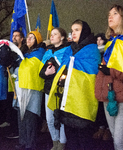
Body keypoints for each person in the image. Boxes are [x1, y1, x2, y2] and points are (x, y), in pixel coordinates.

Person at [47, 19, 101, 150]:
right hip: (67, 102)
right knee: (71, 141)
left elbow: (91, 77)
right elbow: (64, 70)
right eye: (72, 30)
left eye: (77, 30)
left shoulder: (92, 51)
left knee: (84, 140)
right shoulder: (69, 50)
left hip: (82, 103)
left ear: (85, 31)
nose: (73, 33)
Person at [95, 4, 123, 150]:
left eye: (115, 13)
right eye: (109, 14)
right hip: (109, 94)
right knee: (114, 137)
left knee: (119, 140)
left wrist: (109, 71)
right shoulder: (110, 43)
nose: (110, 17)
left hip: (121, 96)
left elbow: (114, 70)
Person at [14, 31, 46, 150]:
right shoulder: (24, 53)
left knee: (30, 117)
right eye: (28, 37)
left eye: (32, 38)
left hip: (32, 88)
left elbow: (30, 68)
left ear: (37, 40)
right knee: (21, 116)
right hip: (21, 87)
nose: (29, 39)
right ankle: (23, 141)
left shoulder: (39, 53)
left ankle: (30, 143)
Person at [39, 27, 69, 150]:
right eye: (51, 34)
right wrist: (46, 73)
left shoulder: (68, 50)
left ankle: (62, 144)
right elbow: (40, 73)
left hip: (61, 90)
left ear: (62, 37)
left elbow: (67, 70)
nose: (51, 36)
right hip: (48, 90)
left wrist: (56, 69)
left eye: (55, 34)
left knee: (60, 118)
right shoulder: (48, 52)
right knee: (49, 118)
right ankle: (55, 142)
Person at [0, 30, 25, 140]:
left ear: (22, 38)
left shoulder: (23, 51)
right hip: (11, 84)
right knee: (11, 108)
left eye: (17, 36)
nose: (14, 38)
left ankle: (20, 132)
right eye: (13, 36)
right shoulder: (11, 51)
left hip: (20, 84)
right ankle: (14, 129)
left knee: (19, 109)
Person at [93, 33, 112, 141]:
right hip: (98, 82)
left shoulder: (107, 52)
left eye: (101, 40)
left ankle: (108, 129)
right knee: (100, 108)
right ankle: (101, 128)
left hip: (108, 83)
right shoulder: (95, 53)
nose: (98, 42)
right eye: (97, 39)